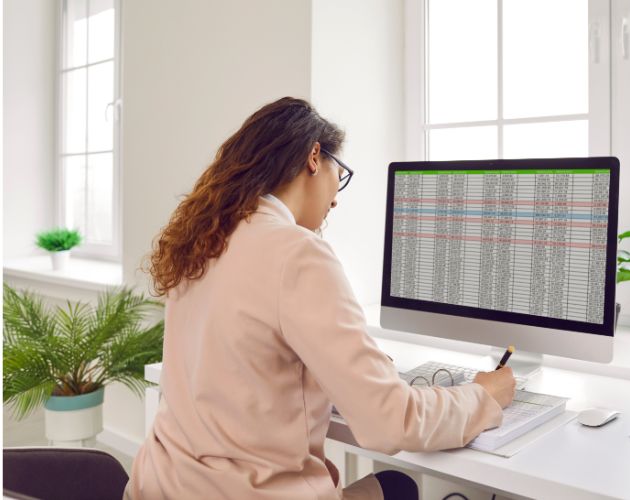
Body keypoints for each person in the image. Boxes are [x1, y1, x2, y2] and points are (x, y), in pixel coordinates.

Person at [124, 97, 516, 500]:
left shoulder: (202, 239)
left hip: (161, 486)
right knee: (398, 486)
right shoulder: (297, 251)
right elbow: (389, 423)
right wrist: (482, 396)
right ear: (315, 156)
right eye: (339, 174)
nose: (335, 199)